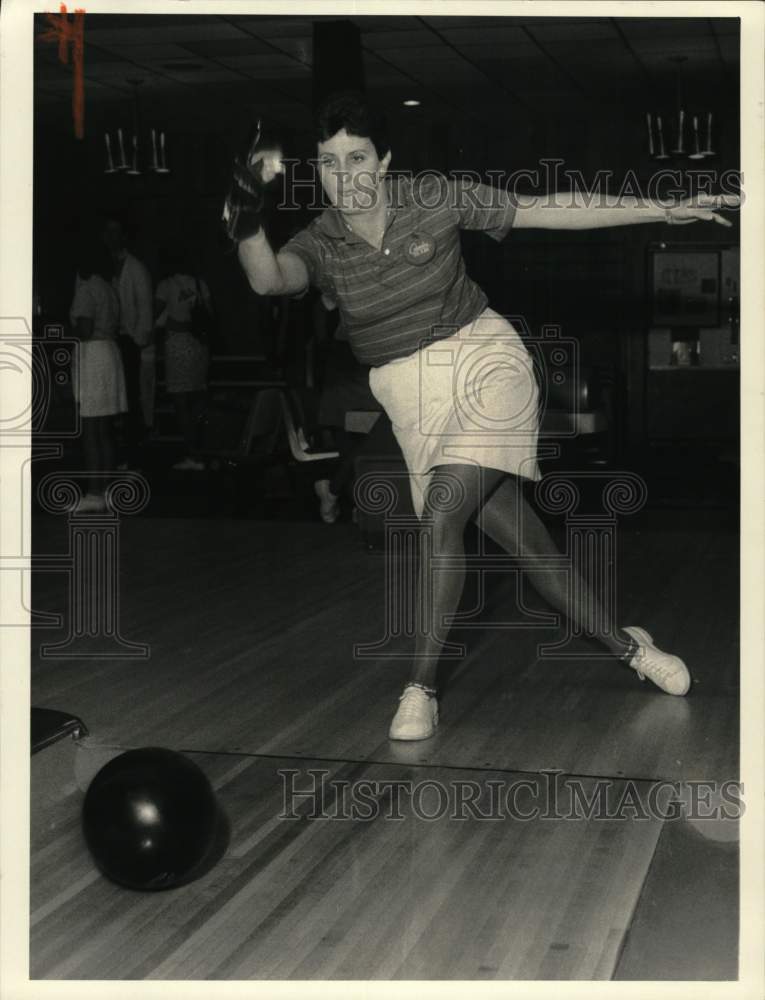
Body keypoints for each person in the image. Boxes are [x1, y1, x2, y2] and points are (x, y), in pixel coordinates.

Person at [227, 91, 739, 741]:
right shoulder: (321, 241)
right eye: (330, 165)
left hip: (484, 363)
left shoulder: (434, 196)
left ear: (382, 160)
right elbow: (270, 280)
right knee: (527, 547)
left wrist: (658, 206)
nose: (345, 177)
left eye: (356, 159)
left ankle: (420, 687)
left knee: (442, 514)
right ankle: (630, 647)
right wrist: (245, 219)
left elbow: (541, 208)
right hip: (409, 397)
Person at [69, 242, 127, 513]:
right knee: (103, 431)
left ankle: (94, 493)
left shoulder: (87, 288)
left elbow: (85, 328)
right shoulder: (108, 287)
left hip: (93, 356)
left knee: (91, 430)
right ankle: (105, 491)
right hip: (109, 354)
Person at [154, 251, 213, 471]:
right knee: (198, 398)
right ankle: (201, 449)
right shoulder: (200, 284)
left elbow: (154, 312)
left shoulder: (166, 285)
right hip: (199, 346)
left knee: (181, 402)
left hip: (178, 345)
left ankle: (192, 453)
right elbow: (210, 315)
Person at [102, 216, 154, 464]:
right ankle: (118, 454)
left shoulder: (136, 268)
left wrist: (137, 340)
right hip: (109, 341)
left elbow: (145, 308)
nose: (112, 237)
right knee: (113, 402)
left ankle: (134, 457)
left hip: (129, 341)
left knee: (131, 399)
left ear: (124, 235)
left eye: (116, 232)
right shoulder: (104, 265)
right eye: (108, 232)